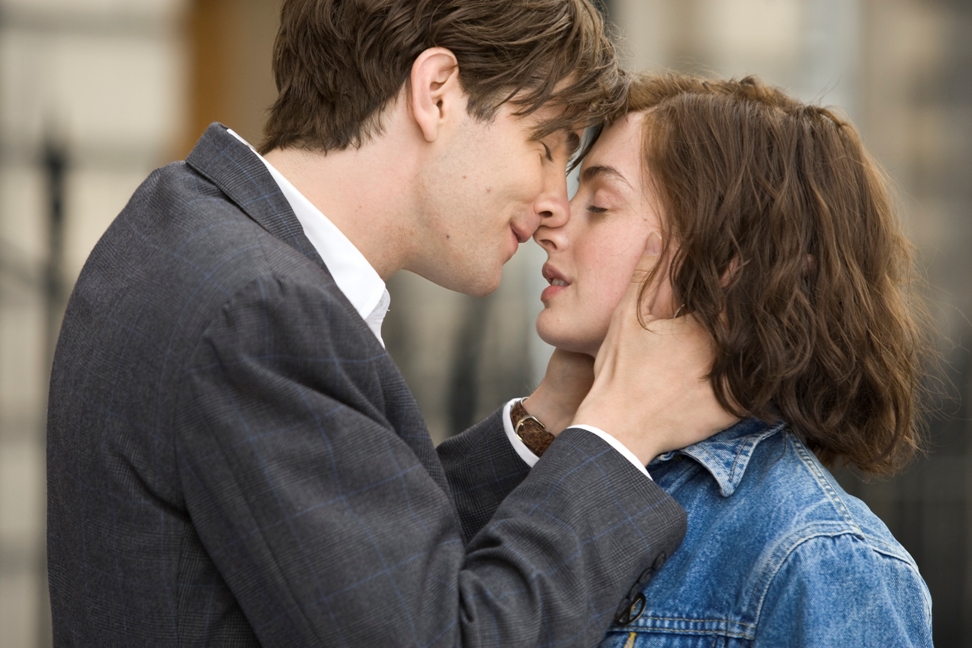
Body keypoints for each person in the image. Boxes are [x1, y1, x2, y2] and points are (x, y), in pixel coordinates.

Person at [46, 2, 734, 646]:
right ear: (436, 92)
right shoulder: (260, 313)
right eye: (548, 143)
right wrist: (619, 433)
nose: (557, 203)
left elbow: (361, 569)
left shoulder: (183, 222)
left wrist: (546, 420)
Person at [532, 73, 935, 647]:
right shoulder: (564, 464)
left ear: (729, 261)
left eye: (599, 204)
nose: (552, 222)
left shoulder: (818, 559)